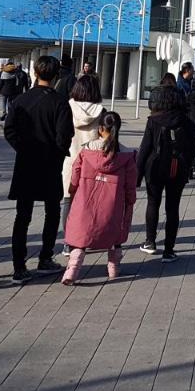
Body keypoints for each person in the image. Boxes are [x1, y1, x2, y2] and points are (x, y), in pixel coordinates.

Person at [3, 54, 73, 284]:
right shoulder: (60, 102)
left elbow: (9, 130)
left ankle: (18, 266)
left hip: (25, 163)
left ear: (35, 72)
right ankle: (45, 258)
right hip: (50, 164)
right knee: (51, 212)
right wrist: (57, 152)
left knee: (22, 215)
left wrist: (22, 148)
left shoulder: (21, 100)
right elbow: (65, 136)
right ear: (55, 76)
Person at [62, 111, 137, 284]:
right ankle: (114, 269)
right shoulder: (126, 155)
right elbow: (130, 184)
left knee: (81, 237)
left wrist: (73, 189)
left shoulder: (87, 150)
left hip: (86, 199)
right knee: (114, 236)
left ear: (101, 129)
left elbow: (75, 173)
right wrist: (130, 200)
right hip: (113, 203)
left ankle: (72, 270)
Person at [136, 84, 195, 260]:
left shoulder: (153, 120)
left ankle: (150, 242)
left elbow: (145, 148)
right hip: (178, 168)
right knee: (173, 208)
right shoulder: (187, 121)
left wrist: (136, 176)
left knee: (153, 203)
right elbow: (193, 147)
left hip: (154, 167)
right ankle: (169, 250)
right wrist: (189, 165)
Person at [61, 73, 104, 251]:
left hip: (70, 159)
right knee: (90, 202)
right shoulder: (101, 112)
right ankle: (86, 239)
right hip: (93, 161)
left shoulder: (66, 107)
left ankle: (67, 242)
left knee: (68, 201)